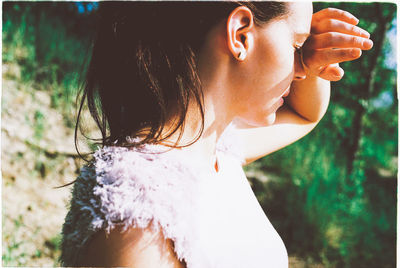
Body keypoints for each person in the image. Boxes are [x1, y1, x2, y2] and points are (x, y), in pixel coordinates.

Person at [60, 1, 373, 267]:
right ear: (240, 35)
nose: (301, 69)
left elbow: (306, 115)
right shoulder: (137, 214)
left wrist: (309, 61)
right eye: (296, 46)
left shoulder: (215, 149)